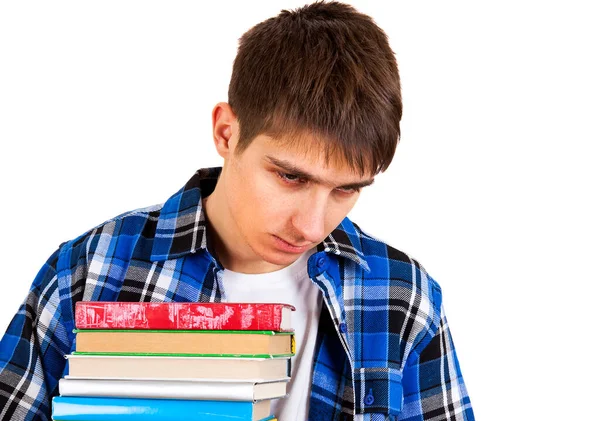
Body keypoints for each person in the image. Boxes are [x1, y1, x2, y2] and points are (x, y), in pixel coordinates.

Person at [0, 2, 474, 420]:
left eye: (346, 190)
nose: (311, 225)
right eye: (291, 177)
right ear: (227, 133)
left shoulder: (404, 297)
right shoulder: (89, 271)